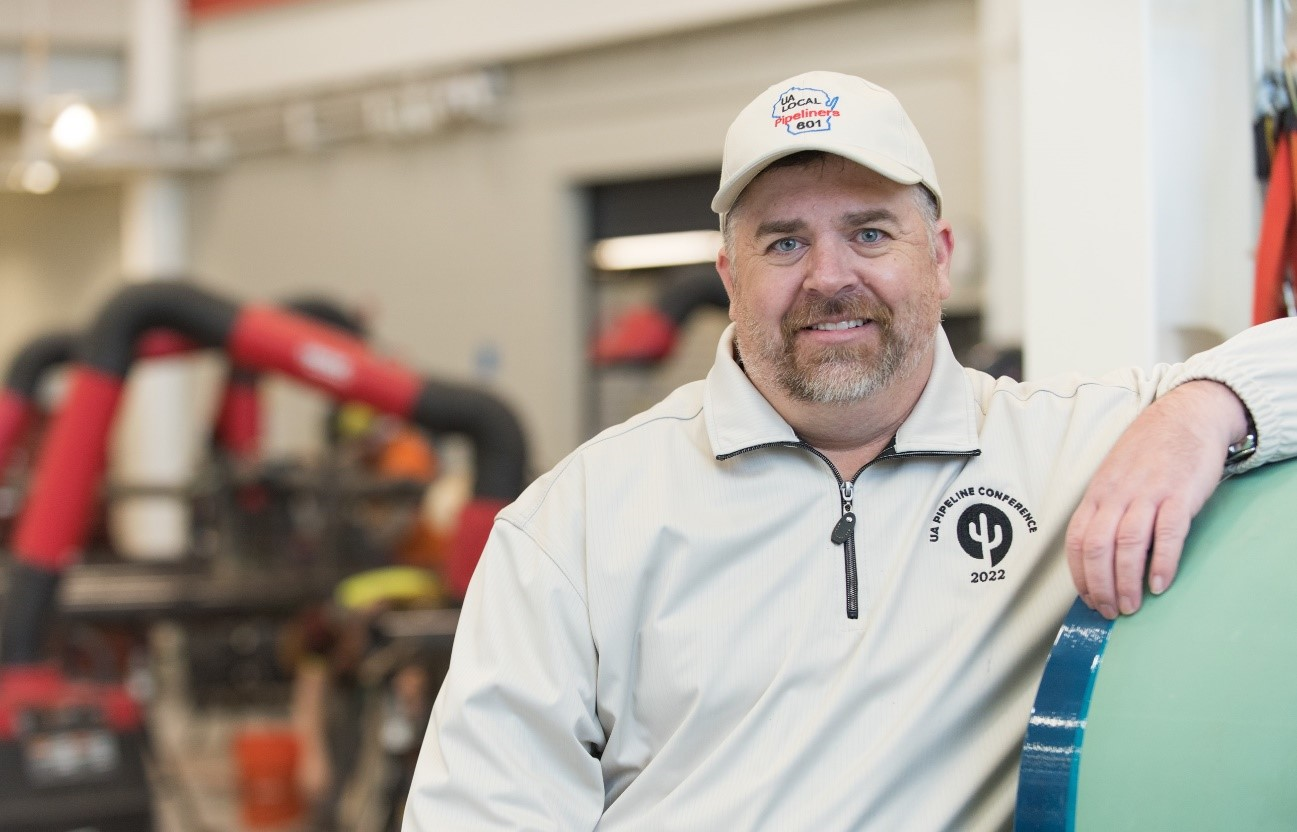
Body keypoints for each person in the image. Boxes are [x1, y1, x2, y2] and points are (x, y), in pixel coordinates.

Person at [402, 71, 1297, 830]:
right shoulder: (575, 524)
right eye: (784, 242)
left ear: (939, 258)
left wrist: (1203, 409)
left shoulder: (1067, 448)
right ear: (728, 278)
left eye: (869, 233)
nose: (829, 277)